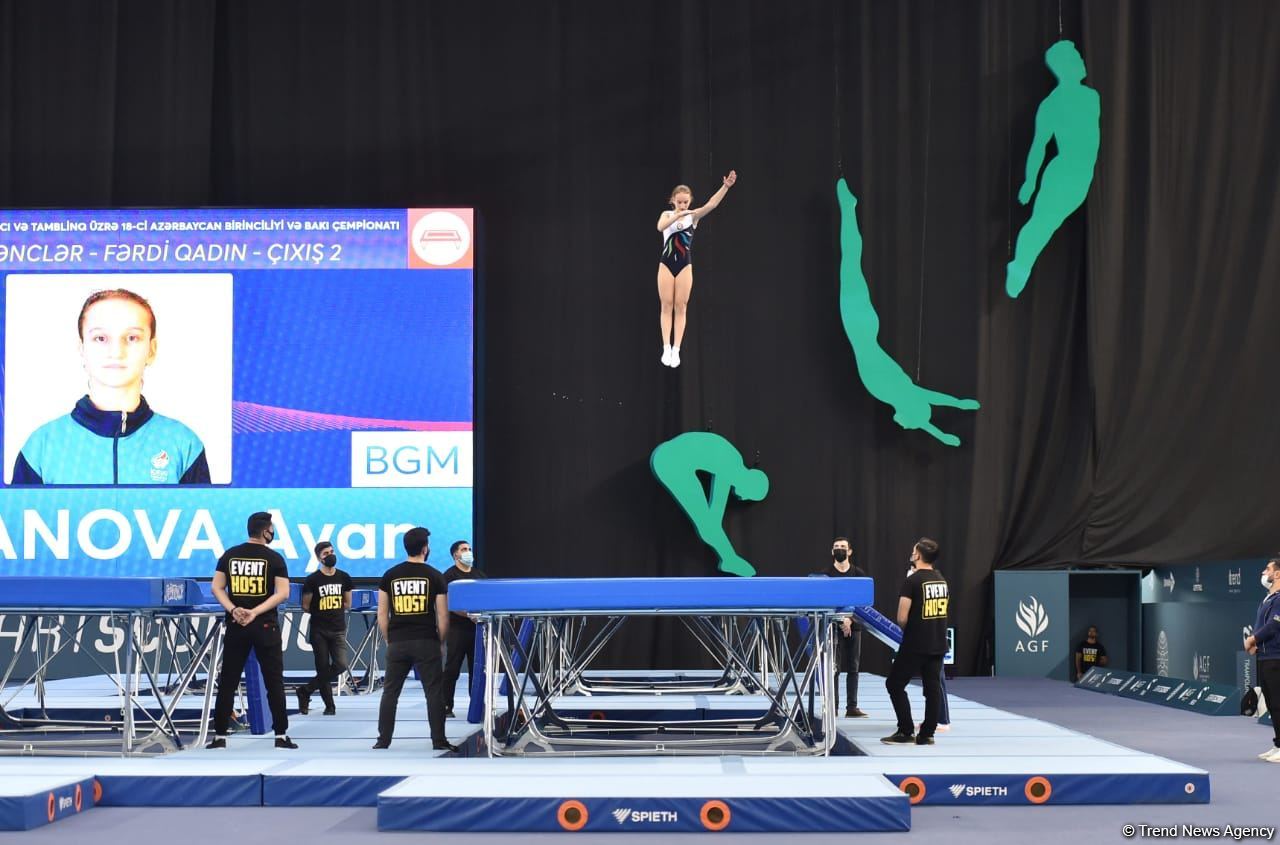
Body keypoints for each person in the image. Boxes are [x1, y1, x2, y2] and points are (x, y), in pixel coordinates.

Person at [11, 288, 210, 485]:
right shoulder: (42, 446)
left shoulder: (183, 444)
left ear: (151, 349)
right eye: (100, 338)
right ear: (82, 349)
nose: (116, 352)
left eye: (132, 338)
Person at [835, 179, 980, 447]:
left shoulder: (906, 393)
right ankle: (848, 207)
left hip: (867, 325)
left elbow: (932, 404)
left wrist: (958, 410)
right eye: (910, 423)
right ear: (908, 412)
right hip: (857, 323)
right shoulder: (889, 392)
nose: (906, 425)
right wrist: (953, 413)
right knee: (851, 259)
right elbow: (926, 413)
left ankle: (849, 208)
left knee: (853, 260)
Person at [1006, 40, 1100, 299]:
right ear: (1064, 66)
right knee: (1042, 225)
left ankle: (1022, 263)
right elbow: (1039, 147)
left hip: (1082, 177)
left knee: (1045, 225)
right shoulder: (1051, 105)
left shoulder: (1092, 97)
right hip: (1063, 173)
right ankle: (1020, 266)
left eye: (1080, 56)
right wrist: (1030, 182)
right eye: (1075, 58)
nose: (1082, 61)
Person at [207, 512, 296, 749]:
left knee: (228, 680)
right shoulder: (275, 558)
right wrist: (255, 612)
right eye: (272, 529)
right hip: (265, 625)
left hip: (237, 624)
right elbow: (283, 593)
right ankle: (281, 735)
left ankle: (219, 736)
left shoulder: (230, 555)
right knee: (274, 680)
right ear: (266, 531)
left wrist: (234, 609)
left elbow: (216, 588)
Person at [374, 526, 456, 751]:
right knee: (434, 692)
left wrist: (389, 639)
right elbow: (443, 616)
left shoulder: (390, 575)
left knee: (391, 691)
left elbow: (382, 614)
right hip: (426, 640)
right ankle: (438, 740)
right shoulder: (435, 576)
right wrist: (441, 642)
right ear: (424, 548)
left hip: (398, 640)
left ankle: (383, 740)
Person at [656, 171, 737, 368]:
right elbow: (660, 227)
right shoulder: (667, 215)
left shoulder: (693, 216)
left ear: (690, 201)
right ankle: (666, 346)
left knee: (681, 306)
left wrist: (725, 187)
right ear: (673, 201)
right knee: (666, 305)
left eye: (685, 202)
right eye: (679, 202)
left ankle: (676, 350)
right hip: (666, 263)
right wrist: (677, 215)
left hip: (684, 264)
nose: (683, 205)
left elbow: (711, 204)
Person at [883, 538, 949, 746]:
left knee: (894, 683)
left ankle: (905, 730)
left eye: (913, 551)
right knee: (932, 689)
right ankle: (927, 734)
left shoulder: (912, 581)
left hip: (916, 642)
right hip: (938, 641)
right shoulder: (941, 579)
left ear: (918, 555)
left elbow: (902, 617)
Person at [297, 542, 353, 716]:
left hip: (338, 628)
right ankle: (330, 706)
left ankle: (305, 690)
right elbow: (305, 606)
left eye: (331, 551)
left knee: (341, 665)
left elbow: (347, 603)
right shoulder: (312, 579)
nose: (330, 555)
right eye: (325, 553)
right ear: (318, 558)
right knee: (322, 669)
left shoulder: (344, 577)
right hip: (319, 630)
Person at [817, 536, 868, 718]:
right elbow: (824, 603)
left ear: (850, 551)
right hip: (832, 625)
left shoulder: (858, 574)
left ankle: (852, 707)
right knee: (834, 668)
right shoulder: (825, 575)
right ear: (832, 552)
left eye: (843, 547)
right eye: (836, 547)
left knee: (853, 667)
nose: (839, 549)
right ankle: (834, 706)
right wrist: (840, 619)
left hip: (853, 625)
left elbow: (863, 603)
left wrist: (850, 619)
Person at [441, 540, 486, 718]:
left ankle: (476, 705)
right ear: (455, 555)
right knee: (452, 669)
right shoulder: (449, 576)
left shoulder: (480, 575)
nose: (468, 552)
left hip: (478, 629)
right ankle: (446, 705)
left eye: (469, 549)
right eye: (464, 549)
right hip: (457, 629)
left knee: (477, 670)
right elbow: (449, 603)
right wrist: (469, 615)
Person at [1243, 558, 1280, 762]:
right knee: (1273, 703)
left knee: (1278, 702)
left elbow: (1274, 625)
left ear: (1277, 574)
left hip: (1277, 657)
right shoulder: (1268, 598)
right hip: (1265, 656)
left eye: (1267, 569)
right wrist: (1257, 645)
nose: (1263, 572)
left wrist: (1252, 639)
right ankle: (1278, 745)